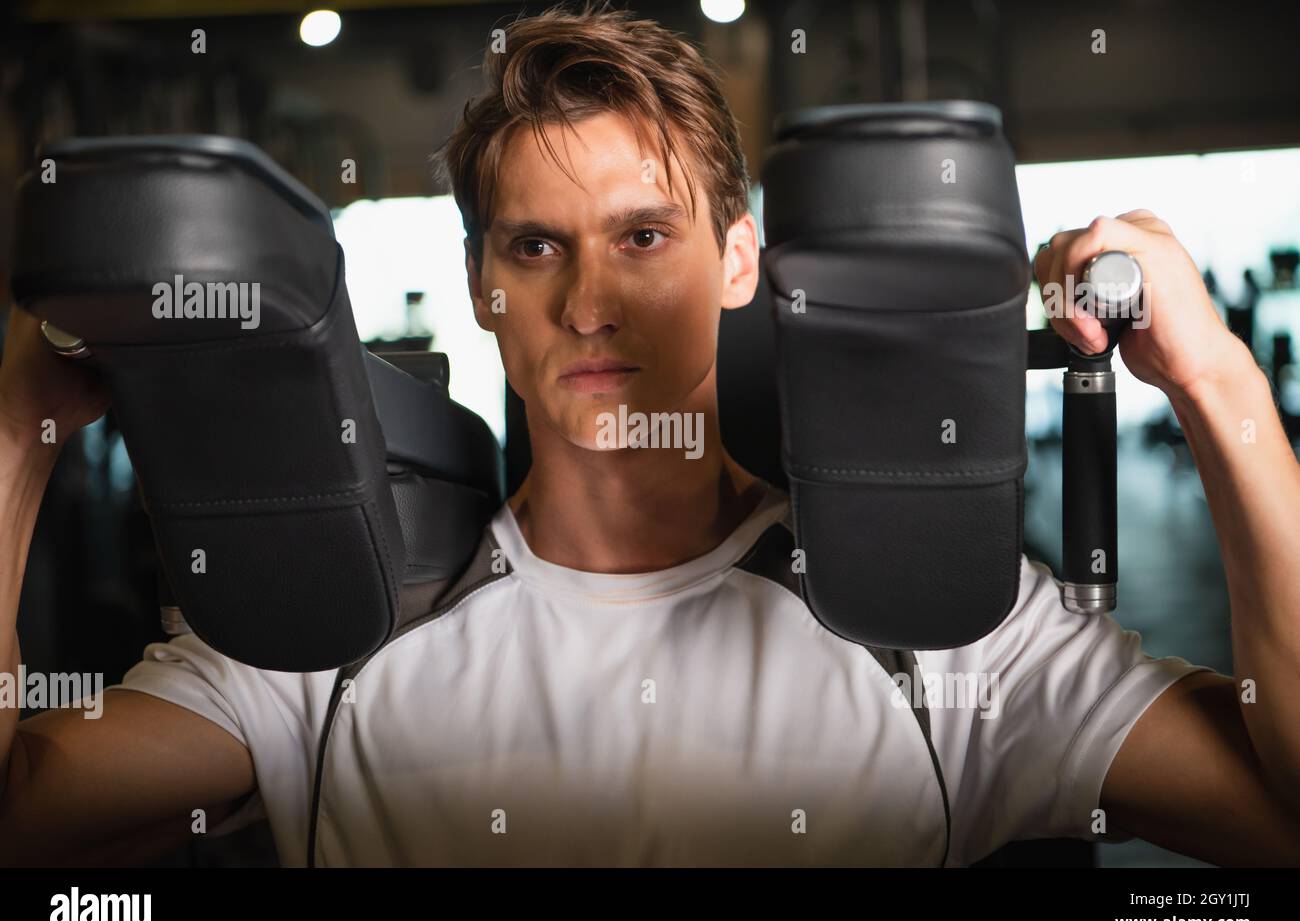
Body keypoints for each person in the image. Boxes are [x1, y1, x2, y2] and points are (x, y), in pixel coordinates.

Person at [2, 4, 1298, 867]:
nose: (590, 300)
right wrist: (17, 429)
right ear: (479, 285)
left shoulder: (938, 636)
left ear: (739, 258)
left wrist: (1212, 376)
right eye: (535, 246)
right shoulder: (334, 632)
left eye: (643, 235)